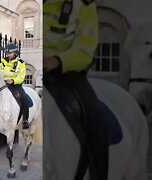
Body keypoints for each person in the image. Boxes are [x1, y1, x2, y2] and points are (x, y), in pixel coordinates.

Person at [43, 0, 108, 180]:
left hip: (66, 73)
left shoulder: (84, 5)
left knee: (96, 119)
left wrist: (57, 60)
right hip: (34, 68)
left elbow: (85, 48)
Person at [0, 43, 30, 129]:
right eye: (7, 53)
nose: (8, 55)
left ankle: (25, 120)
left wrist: (13, 80)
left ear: (15, 53)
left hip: (15, 86)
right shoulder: (2, 63)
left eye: (10, 53)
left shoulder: (20, 63)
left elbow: (21, 77)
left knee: (24, 98)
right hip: (3, 86)